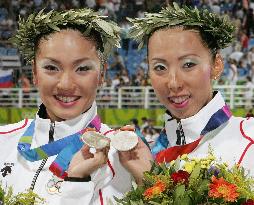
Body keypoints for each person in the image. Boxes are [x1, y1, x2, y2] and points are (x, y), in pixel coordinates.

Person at [0, 8, 152, 205]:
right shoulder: (3, 141)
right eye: (51, 68)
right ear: (35, 73)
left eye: (82, 69)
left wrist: (147, 182)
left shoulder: (123, 159)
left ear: (102, 75)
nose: (65, 84)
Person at [128, 3, 254, 175]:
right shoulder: (140, 157)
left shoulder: (249, 138)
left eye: (188, 64)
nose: (173, 83)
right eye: (159, 67)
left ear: (216, 65)